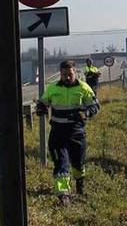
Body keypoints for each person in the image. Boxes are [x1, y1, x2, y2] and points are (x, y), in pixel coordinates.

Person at [35, 60, 99, 206]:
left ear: (75, 72)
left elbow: (95, 106)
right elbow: (42, 102)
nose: (67, 77)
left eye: (70, 74)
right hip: (58, 132)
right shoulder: (53, 88)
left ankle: (80, 183)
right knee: (61, 163)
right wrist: (41, 108)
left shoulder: (83, 87)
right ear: (60, 74)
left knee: (78, 163)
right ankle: (63, 194)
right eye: (64, 75)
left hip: (76, 131)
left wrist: (86, 113)